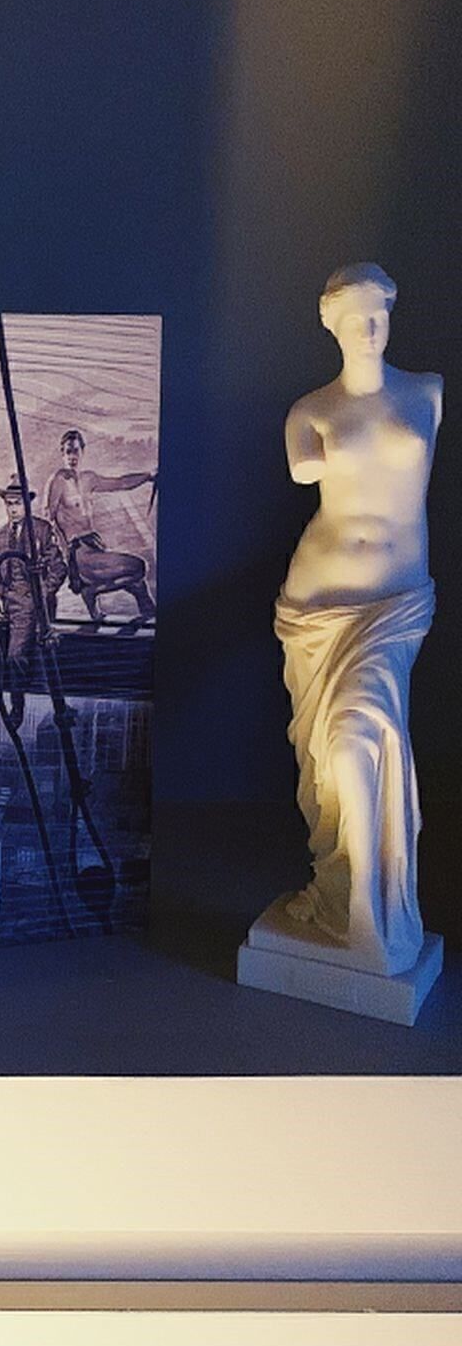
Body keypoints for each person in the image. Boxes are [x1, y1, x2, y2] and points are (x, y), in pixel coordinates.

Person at [275, 263, 442, 975]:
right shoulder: (309, 413)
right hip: (316, 608)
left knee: (354, 734)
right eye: (354, 319)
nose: (369, 329)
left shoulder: (428, 393)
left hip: (394, 607)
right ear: (332, 327)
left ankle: (370, 911)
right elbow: (303, 471)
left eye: (378, 315)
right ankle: (345, 889)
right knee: (326, 767)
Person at [0, 478, 64, 728]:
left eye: (17, 504)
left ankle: (17, 704)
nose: (13, 509)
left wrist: (43, 593)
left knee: (16, 654)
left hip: (30, 601)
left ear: (27, 504)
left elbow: (59, 568)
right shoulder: (1, 536)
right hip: (5, 598)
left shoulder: (42, 530)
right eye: (9, 504)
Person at [45, 429, 157, 630]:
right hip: (79, 555)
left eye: (76, 451)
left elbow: (121, 483)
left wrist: (149, 476)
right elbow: (49, 520)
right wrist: (64, 557)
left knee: (137, 584)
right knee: (139, 566)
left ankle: (150, 619)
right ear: (62, 453)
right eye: (68, 452)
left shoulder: (89, 478)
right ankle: (91, 590)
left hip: (95, 546)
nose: (72, 457)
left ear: (83, 451)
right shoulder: (58, 481)